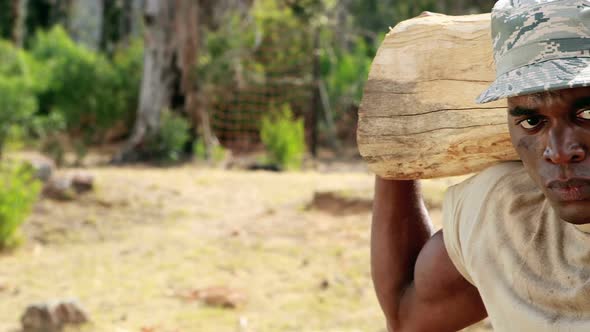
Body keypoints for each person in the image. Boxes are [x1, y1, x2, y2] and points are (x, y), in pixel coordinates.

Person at [371, 1, 590, 331]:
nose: (560, 152)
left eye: (587, 115)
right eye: (532, 121)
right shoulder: (503, 213)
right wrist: (397, 137)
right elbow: (407, 315)